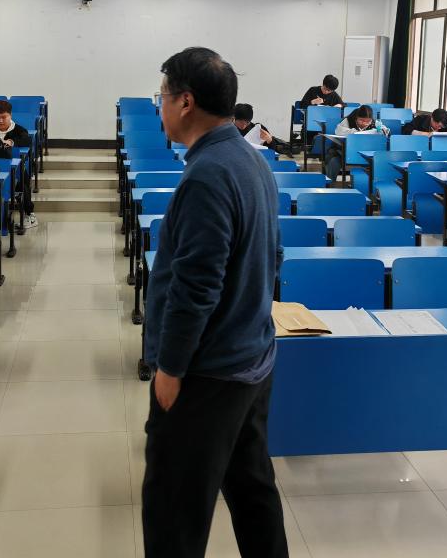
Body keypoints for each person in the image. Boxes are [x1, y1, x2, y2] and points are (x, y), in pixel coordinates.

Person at [143, 47, 288, 558]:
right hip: (251, 359)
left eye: (162, 96)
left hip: (208, 374)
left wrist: (170, 368)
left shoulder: (208, 174)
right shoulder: (250, 159)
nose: (159, 106)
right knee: (252, 493)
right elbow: (273, 258)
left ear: (185, 102)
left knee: (174, 514)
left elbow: (195, 286)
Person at [0, 100, 37, 228]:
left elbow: (26, 140)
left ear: (10, 115)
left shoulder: (19, 130)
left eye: (4, 117)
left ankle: (30, 214)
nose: (0, 120)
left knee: (22, 176)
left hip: (12, 167)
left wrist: (12, 142)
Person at [324, 105, 377, 182]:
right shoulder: (348, 120)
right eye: (361, 120)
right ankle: (329, 184)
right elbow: (339, 131)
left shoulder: (374, 122)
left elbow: (384, 131)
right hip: (344, 152)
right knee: (334, 161)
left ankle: (371, 185)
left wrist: (381, 131)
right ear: (356, 118)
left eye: (368, 121)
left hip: (366, 153)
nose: (365, 123)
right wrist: (355, 132)